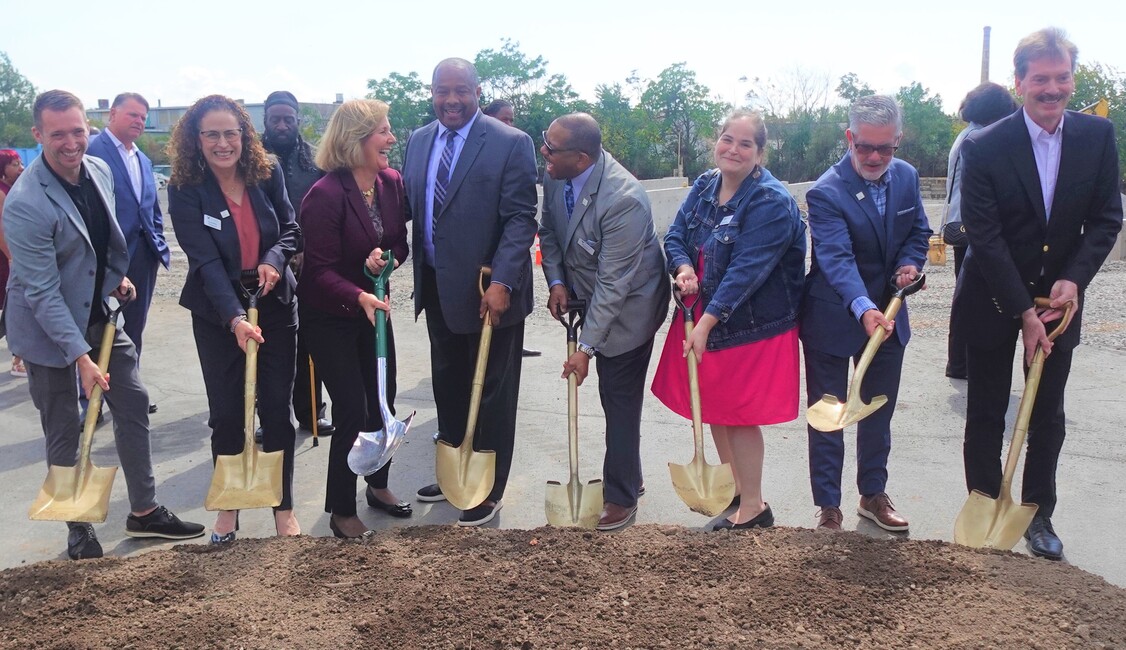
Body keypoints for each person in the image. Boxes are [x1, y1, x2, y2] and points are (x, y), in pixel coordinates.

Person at [4, 90, 204, 560]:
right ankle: (77, 524)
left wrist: (118, 279)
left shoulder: (97, 170)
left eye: (78, 130)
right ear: (38, 135)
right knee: (63, 424)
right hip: (47, 328)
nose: (71, 142)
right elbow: (42, 292)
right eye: (58, 134)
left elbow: (103, 240)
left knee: (132, 401)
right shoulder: (25, 202)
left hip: (102, 317)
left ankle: (145, 510)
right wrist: (80, 359)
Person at [954, 27, 1123, 560]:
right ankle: (984, 501)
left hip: (1060, 304)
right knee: (984, 408)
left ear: (1071, 79)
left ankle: (1038, 512)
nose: (1052, 89)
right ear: (1020, 81)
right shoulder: (985, 145)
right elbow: (984, 235)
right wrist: (1024, 310)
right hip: (993, 295)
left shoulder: (1097, 137)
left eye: (1062, 77)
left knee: (1047, 411)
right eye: (1041, 79)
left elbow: (1105, 219)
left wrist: (1074, 278)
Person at [653, 111, 806, 530]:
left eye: (744, 144)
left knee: (738, 414)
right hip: (704, 312)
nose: (732, 150)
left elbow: (748, 271)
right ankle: (735, 492)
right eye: (726, 140)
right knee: (716, 408)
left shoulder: (771, 201)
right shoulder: (705, 185)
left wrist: (706, 324)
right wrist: (683, 268)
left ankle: (754, 506)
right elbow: (676, 235)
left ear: (760, 152)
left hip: (748, 324)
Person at [402, 58, 538, 526]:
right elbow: (414, 209)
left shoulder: (509, 143)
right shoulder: (419, 141)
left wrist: (502, 281)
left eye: (462, 91)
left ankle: (487, 487)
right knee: (449, 385)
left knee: (494, 392)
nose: (452, 100)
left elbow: (521, 219)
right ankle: (455, 471)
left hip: (491, 295)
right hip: (438, 289)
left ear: (478, 92)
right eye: (443, 91)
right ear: (432, 92)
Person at [166, 94, 301, 543]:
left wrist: (274, 260)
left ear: (244, 134)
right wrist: (234, 319)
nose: (223, 143)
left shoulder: (268, 171)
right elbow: (203, 261)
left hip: (274, 303)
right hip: (216, 310)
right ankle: (229, 509)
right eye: (212, 134)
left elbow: (290, 228)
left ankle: (283, 508)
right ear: (196, 139)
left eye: (231, 133)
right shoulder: (185, 188)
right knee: (226, 415)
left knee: (278, 412)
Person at [800, 95, 931, 532]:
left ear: (898, 139)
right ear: (849, 138)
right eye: (865, 147)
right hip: (835, 319)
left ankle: (872, 494)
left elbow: (918, 232)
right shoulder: (825, 191)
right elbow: (836, 260)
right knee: (829, 414)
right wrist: (864, 307)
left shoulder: (907, 178)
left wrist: (911, 265)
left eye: (885, 148)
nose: (875, 157)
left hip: (890, 319)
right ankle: (829, 506)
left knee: (878, 411)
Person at [538, 113, 669, 531]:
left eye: (551, 148)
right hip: (588, 294)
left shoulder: (624, 199)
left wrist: (586, 349)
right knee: (613, 399)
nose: (544, 152)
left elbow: (614, 285)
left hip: (631, 307)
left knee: (618, 398)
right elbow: (550, 233)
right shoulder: (558, 175)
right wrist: (557, 280)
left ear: (581, 158)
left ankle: (622, 496)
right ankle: (629, 473)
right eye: (545, 142)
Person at [298, 99, 412, 539]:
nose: (391, 139)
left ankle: (377, 485)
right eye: (383, 131)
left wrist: (387, 264)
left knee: (385, 398)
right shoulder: (324, 196)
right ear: (356, 139)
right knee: (351, 408)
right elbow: (319, 271)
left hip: (373, 312)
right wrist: (360, 292)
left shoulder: (390, 183)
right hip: (330, 318)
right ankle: (341, 509)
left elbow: (399, 244)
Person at [86, 93, 170, 415]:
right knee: (95, 330)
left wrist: (158, 240)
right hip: (103, 260)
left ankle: (130, 394)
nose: (139, 121)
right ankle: (91, 402)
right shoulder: (93, 153)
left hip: (142, 257)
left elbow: (148, 207)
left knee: (133, 330)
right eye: (132, 114)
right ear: (112, 114)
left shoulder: (142, 159)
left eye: (143, 117)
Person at [261, 90, 333, 437]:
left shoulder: (315, 162)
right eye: (275, 118)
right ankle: (269, 417)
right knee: (268, 341)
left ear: (298, 121)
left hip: (308, 262)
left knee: (309, 339)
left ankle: (311, 411)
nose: (282, 125)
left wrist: (307, 250)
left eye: (288, 118)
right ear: (265, 120)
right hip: (264, 266)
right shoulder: (251, 160)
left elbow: (322, 212)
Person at [942, 83, 1018, 379]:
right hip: (974, 227)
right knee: (970, 297)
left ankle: (958, 362)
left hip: (965, 224)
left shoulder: (967, 134)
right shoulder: (979, 138)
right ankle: (961, 363)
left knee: (965, 295)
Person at [482, 98, 539, 360]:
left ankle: (516, 346)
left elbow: (522, 215)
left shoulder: (516, 146)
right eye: (505, 119)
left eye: (512, 120)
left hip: (509, 264)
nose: (510, 125)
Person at [0, 148, 27, 377]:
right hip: (7, 258)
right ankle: (18, 361)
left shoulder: (13, 189)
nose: (21, 167)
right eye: (15, 164)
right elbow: (1, 230)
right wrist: (11, 258)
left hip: (12, 256)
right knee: (15, 307)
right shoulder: (1, 192)